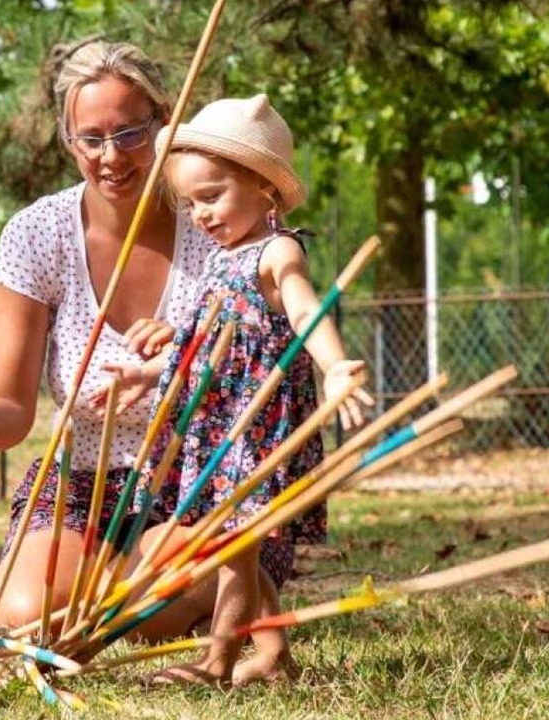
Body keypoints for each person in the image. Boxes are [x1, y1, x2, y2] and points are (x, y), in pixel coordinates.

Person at [0, 40, 218, 637]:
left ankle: (201, 589)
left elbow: (264, 364)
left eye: (129, 134)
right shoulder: (37, 234)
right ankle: (162, 592)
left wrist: (182, 355)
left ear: (163, 120)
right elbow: (9, 411)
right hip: (82, 481)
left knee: (127, 608)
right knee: (26, 619)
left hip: (198, 480)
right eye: (90, 139)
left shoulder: (214, 220)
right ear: (68, 139)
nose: (110, 156)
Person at [99, 94, 374, 686]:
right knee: (232, 544)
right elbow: (209, 347)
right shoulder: (220, 259)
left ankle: (217, 661)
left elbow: (305, 309)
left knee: (231, 546)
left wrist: (333, 365)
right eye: (190, 203)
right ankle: (273, 654)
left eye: (211, 196)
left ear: (264, 187)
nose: (199, 215)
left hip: (255, 427)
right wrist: (151, 373)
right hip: (214, 426)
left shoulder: (278, 251)